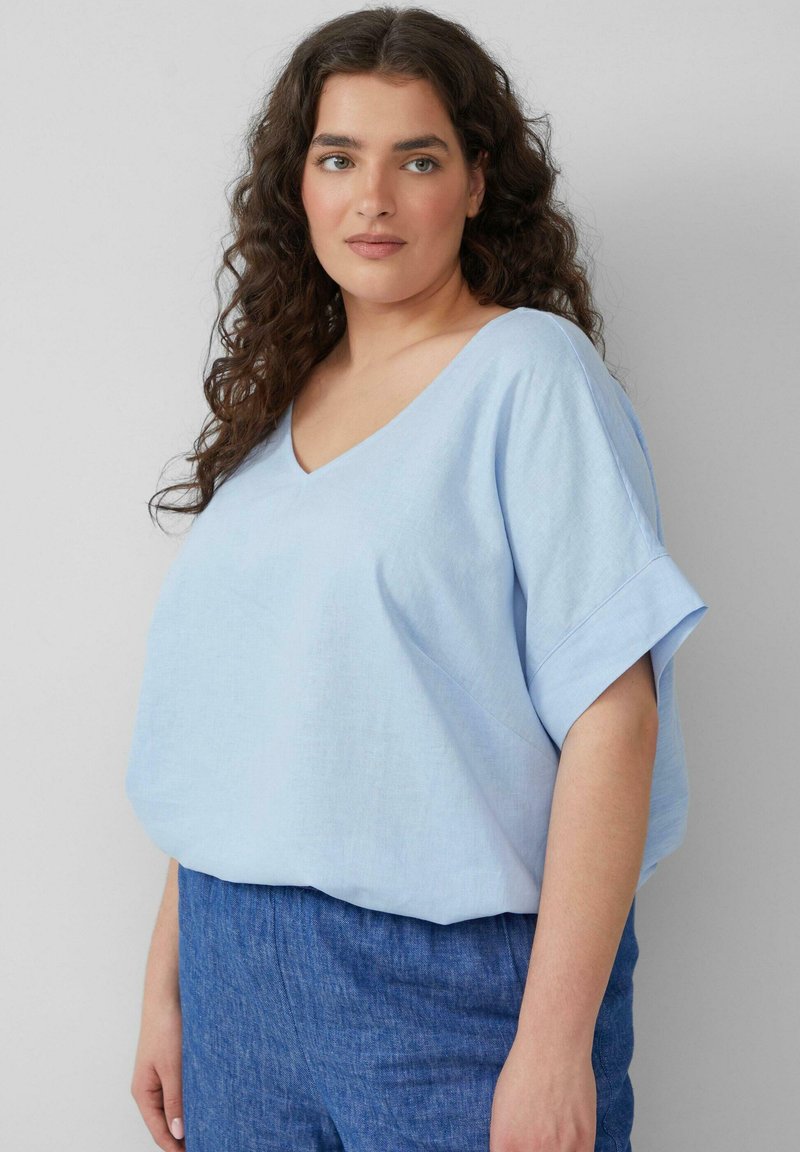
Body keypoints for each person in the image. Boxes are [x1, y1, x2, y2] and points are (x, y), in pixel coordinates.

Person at [125, 7, 709, 1151]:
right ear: (298, 185)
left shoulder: (526, 373)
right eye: (338, 158)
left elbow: (613, 717)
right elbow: (237, 735)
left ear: (477, 183)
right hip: (234, 970)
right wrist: (169, 985)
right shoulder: (276, 409)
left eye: (419, 160)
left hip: (453, 994)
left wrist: (553, 1046)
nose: (373, 199)